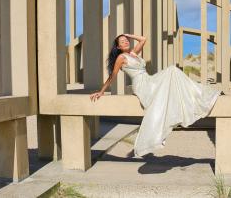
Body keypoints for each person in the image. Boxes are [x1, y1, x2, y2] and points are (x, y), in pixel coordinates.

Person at [89, 33, 221, 157]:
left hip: (148, 79)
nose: (126, 42)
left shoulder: (134, 53)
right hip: (141, 84)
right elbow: (112, 76)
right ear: (118, 47)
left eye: (126, 40)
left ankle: (198, 95)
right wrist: (101, 91)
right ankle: (197, 96)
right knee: (172, 72)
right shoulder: (121, 58)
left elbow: (143, 39)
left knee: (173, 72)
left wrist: (128, 35)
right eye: (122, 41)